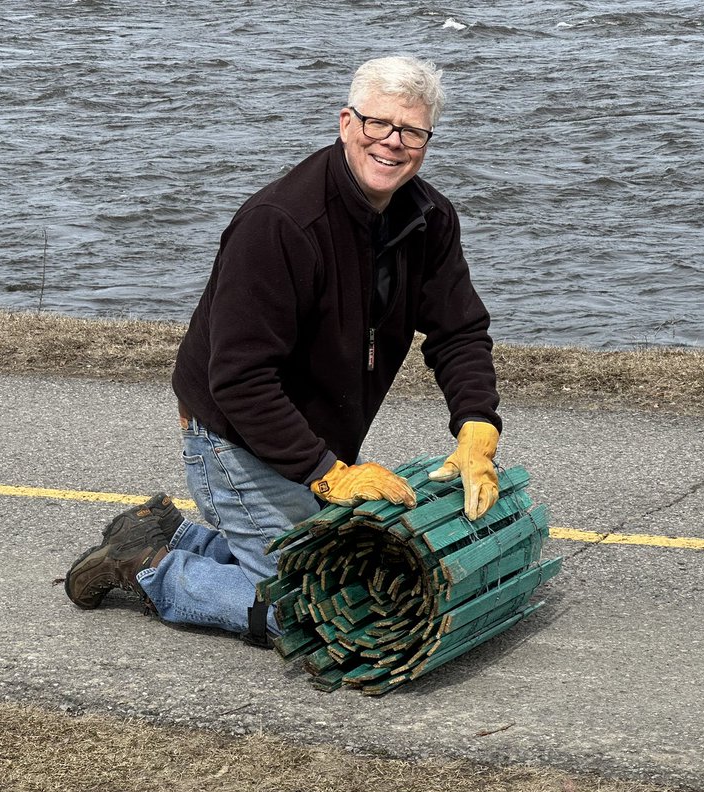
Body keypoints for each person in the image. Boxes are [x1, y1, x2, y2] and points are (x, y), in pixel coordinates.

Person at [63, 55, 502, 646]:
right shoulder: (281, 225)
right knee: (325, 616)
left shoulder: (428, 218)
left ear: (426, 139)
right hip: (234, 439)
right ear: (347, 122)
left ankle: (175, 535)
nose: (393, 143)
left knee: (347, 572)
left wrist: (477, 426)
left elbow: (459, 330)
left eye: (412, 131)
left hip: (309, 439)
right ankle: (151, 570)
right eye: (379, 124)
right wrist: (327, 477)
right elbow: (240, 381)